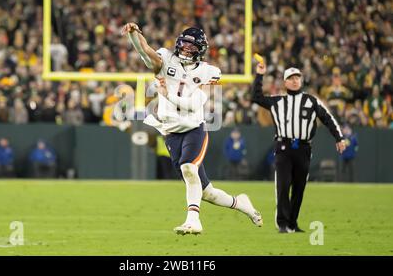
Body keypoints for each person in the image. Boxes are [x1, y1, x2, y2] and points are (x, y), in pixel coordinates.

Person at [122, 22, 263, 235]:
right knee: (208, 193)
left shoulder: (209, 72)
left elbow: (194, 104)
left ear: (201, 50)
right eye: (185, 44)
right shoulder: (166, 59)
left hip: (193, 129)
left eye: (192, 46)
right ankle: (242, 203)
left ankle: (193, 220)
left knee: (189, 169)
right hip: (170, 133)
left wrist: (167, 94)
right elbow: (145, 49)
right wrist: (134, 33)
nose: (187, 49)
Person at [251, 58, 346, 233]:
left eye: (297, 78)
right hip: (283, 148)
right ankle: (282, 223)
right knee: (283, 185)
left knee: (299, 187)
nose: (295, 81)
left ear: (301, 80)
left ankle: (292, 223)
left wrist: (339, 138)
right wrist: (259, 75)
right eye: (291, 78)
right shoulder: (277, 101)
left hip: (303, 148)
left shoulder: (311, 101)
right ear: (285, 82)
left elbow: (328, 118)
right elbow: (256, 97)